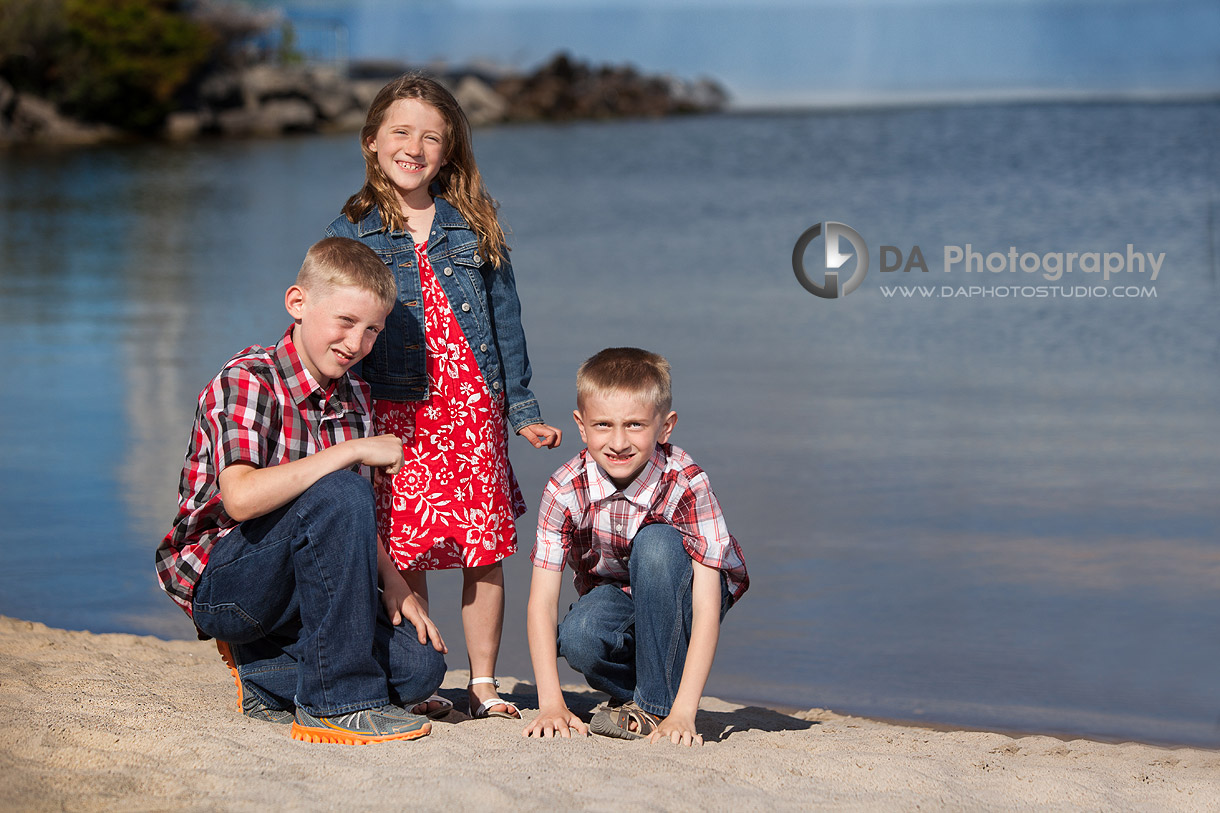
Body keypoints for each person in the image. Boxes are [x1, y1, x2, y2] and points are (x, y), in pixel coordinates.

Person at [325, 74, 562, 721]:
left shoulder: (473, 222)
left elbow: (505, 319)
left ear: (449, 149)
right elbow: (332, 318)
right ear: (372, 141)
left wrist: (524, 410)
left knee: (481, 550)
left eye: (431, 137)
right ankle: (425, 675)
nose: (414, 146)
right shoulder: (355, 228)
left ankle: (483, 682)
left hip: (471, 405)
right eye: (400, 132)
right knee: (409, 545)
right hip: (396, 411)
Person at [154, 237, 447, 745]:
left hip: (300, 587)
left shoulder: (353, 393)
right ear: (298, 303)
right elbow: (241, 499)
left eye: (373, 330)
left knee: (420, 668)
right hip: (227, 584)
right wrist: (352, 452)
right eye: (346, 322)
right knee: (340, 490)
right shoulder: (248, 380)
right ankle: (339, 705)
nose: (357, 344)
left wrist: (393, 581)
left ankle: (263, 672)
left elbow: (344, 516)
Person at [522, 348, 749, 746]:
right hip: (617, 598)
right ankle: (646, 692)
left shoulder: (686, 483)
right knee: (578, 637)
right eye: (604, 425)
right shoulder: (564, 489)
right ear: (581, 425)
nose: (619, 441)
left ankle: (660, 707)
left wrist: (685, 712)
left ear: (665, 426)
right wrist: (551, 703)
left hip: (688, 596)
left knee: (657, 544)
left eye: (635, 425)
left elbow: (708, 602)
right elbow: (542, 601)